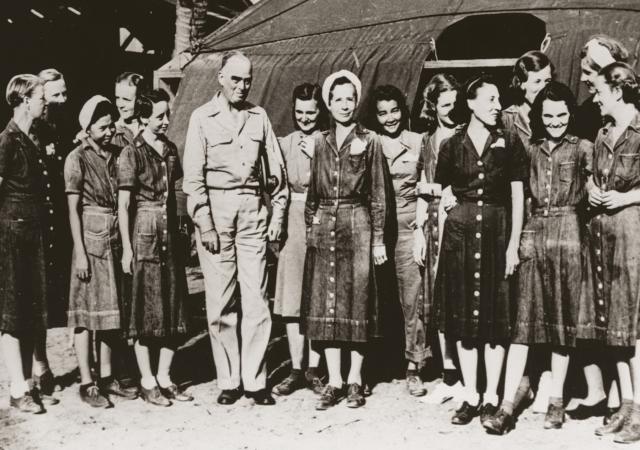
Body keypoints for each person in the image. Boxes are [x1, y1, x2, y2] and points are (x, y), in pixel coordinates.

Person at [483, 82, 594, 434]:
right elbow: (510, 193)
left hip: (569, 236)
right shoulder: (528, 149)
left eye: (562, 114)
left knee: (562, 324)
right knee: (524, 324)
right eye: (548, 115)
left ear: (570, 114)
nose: (556, 121)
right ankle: (506, 405)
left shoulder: (583, 149)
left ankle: (556, 400)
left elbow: (593, 195)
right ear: (539, 117)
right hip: (534, 235)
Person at [183, 51, 288, 406]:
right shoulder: (202, 118)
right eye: (235, 79)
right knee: (221, 301)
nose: (242, 86)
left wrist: (274, 213)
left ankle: (255, 381)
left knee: (257, 299)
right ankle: (228, 380)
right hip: (217, 210)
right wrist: (205, 222)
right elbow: (193, 179)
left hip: (251, 212)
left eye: (247, 80)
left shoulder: (259, 117)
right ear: (220, 77)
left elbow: (277, 173)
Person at [434, 74, 527, 426]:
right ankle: (471, 396)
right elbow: (442, 191)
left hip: (498, 232)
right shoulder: (451, 145)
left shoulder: (510, 140)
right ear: (470, 103)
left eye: (498, 99)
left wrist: (513, 244)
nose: (497, 106)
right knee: (463, 319)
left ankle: (491, 397)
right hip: (461, 235)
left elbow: (518, 195)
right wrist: (446, 204)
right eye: (489, 99)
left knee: (494, 317)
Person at [301, 70, 388, 410]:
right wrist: (313, 226)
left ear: (357, 101)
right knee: (327, 303)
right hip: (325, 227)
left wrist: (378, 239)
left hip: (358, 224)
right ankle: (334, 380)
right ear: (328, 103)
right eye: (337, 99)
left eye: (349, 98)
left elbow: (379, 195)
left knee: (356, 300)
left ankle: (355, 379)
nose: (343, 105)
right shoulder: (320, 142)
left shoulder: (371, 140)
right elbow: (312, 193)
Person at [118, 89, 193, 407]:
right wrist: (126, 248)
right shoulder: (131, 153)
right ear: (143, 117)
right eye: (159, 115)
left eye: (167, 114)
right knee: (145, 309)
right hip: (144, 234)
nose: (165, 120)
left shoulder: (172, 149)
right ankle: (147, 380)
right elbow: (123, 205)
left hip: (170, 238)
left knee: (173, 304)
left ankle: (165, 376)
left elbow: (176, 191)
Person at [569, 36, 630, 421]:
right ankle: (618, 399)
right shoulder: (594, 116)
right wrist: (590, 185)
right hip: (603, 226)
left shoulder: (632, 113)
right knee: (610, 316)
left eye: (594, 72)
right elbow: (585, 163)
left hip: (630, 223)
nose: (588, 81)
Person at [65, 96, 138, 408]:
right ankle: (86, 381)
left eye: (111, 126)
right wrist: (80, 253)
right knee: (83, 315)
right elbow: (72, 211)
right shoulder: (76, 158)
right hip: (90, 240)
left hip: (112, 239)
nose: (109, 132)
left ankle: (107, 376)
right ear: (88, 127)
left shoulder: (118, 155)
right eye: (102, 127)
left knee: (110, 314)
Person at [583, 62, 640, 444]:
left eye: (600, 90)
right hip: (603, 234)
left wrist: (625, 197)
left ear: (617, 91)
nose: (595, 96)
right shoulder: (603, 131)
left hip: (632, 232)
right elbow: (593, 173)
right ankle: (626, 406)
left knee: (634, 323)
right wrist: (591, 186)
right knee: (614, 322)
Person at [363, 84, 428, 396]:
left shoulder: (418, 142)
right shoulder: (367, 143)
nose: (390, 118)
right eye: (382, 113)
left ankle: (415, 364)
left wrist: (422, 219)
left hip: (407, 225)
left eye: (394, 110)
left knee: (411, 297)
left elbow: (430, 183)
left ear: (403, 110)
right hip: (373, 228)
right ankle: (368, 366)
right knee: (372, 297)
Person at [272, 83, 327, 396]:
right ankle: (295, 368)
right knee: (292, 298)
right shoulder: (285, 143)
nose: (305, 118)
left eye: (311, 112)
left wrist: (318, 154)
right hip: (294, 220)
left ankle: (314, 369)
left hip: (321, 217)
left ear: (321, 112)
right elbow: (276, 186)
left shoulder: (328, 141)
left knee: (318, 295)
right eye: (300, 112)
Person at [414, 73, 465, 405]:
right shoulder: (427, 140)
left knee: (462, 298)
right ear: (433, 106)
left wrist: (449, 191)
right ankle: (448, 374)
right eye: (445, 105)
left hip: (461, 225)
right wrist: (418, 231)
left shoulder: (466, 137)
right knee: (439, 299)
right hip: (434, 226)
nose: (452, 110)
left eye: (455, 103)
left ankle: (466, 375)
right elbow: (421, 185)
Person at [0, 74, 48, 414]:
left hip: (32, 235)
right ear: (24, 100)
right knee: (12, 315)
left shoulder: (33, 137)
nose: (45, 102)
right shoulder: (7, 141)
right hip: (13, 236)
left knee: (31, 311)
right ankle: (17, 390)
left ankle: (31, 386)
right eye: (40, 96)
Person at [29, 68, 75, 405]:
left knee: (53, 296)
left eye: (64, 94)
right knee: (35, 298)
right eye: (54, 96)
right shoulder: (26, 133)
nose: (61, 101)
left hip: (59, 225)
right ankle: (39, 365)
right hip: (35, 226)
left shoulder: (63, 128)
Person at [113, 72, 146, 148]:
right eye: (117, 98)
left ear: (140, 101)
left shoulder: (151, 128)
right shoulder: (112, 132)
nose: (120, 105)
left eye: (127, 99)